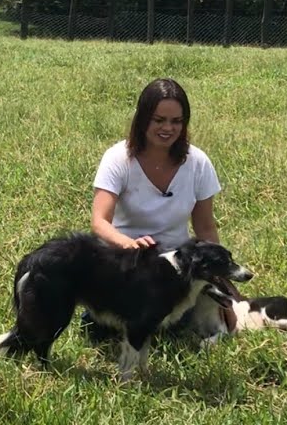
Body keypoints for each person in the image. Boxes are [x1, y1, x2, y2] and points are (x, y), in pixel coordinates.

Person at [82, 77, 238, 341]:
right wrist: (127, 244)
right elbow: (99, 221)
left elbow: (205, 228)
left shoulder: (198, 163)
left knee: (172, 329)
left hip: (176, 271)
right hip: (128, 266)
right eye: (159, 120)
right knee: (103, 330)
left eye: (177, 121)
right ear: (143, 119)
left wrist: (226, 288)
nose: (168, 128)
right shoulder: (118, 158)